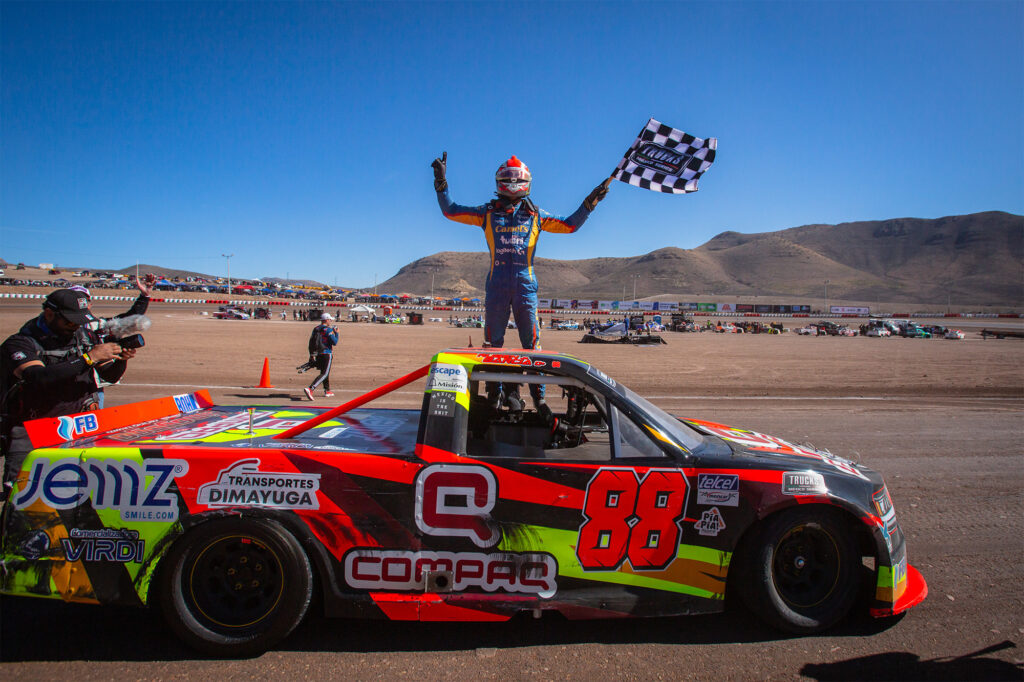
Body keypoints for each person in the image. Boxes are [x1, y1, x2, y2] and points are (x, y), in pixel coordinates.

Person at [432, 152, 610, 409]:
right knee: (493, 345)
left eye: (517, 179)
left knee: (532, 346)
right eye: (508, 178)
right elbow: (450, 210)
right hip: (498, 286)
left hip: (525, 287)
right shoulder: (487, 212)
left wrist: (590, 202)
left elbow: (571, 225)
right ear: (500, 181)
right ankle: (495, 396)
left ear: (526, 182)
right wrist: (441, 182)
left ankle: (539, 401)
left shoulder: (535, 215)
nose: (513, 183)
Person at [1, 289, 139, 485]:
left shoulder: (84, 337)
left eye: (79, 320)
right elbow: (37, 377)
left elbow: (108, 375)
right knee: (22, 496)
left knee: (76, 490)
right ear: (49, 313)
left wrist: (120, 360)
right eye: (70, 320)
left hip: (77, 429)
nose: (75, 326)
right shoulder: (21, 344)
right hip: (33, 432)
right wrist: (89, 358)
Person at [304, 313, 338, 401]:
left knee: (324, 372)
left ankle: (327, 390)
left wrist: (312, 355)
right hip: (326, 353)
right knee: (325, 373)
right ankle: (311, 388)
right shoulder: (328, 330)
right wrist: (336, 333)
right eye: (330, 320)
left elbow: (311, 342)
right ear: (326, 320)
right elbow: (334, 342)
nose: (330, 321)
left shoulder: (315, 329)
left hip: (317, 353)